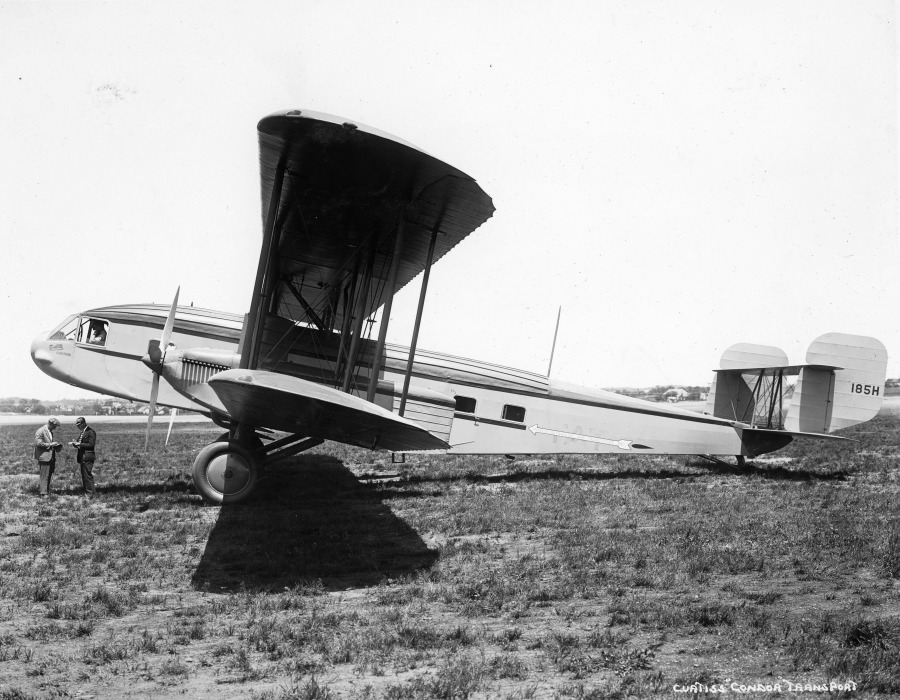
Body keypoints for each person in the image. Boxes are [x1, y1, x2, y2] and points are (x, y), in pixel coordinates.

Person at [34, 417, 63, 497]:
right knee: (44, 475)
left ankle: (46, 491)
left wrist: (55, 445)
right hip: (44, 457)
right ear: (50, 424)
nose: (55, 428)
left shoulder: (50, 432)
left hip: (50, 456)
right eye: (54, 426)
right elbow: (38, 443)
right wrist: (51, 444)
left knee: (49, 474)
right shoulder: (40, 431)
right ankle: (43, 493)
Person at [70, 417, 97, 496]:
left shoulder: (91, 432)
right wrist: (75, 443)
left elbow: (91, 445)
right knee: (84, 475)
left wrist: (79, 444)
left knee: (87, 475)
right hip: (82, 456)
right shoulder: (83, 432)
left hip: (87, 456)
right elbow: (80, 443)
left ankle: (91, 493)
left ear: (83, 423)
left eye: (79, 425)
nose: (78, 427)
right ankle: (87, 491)